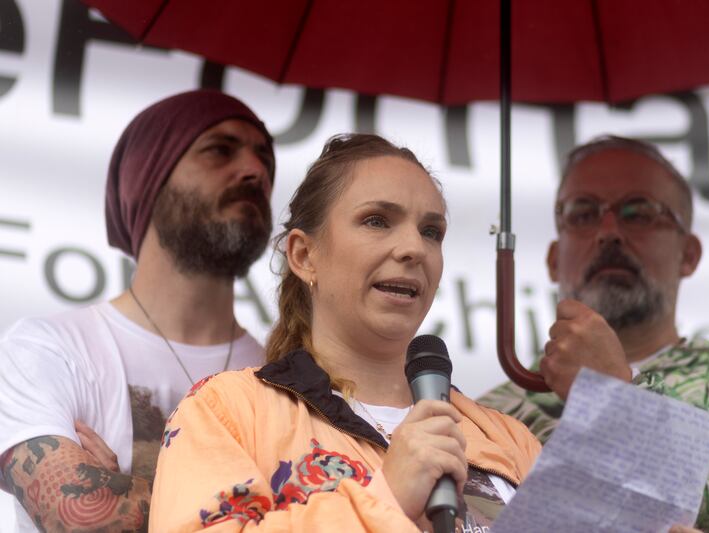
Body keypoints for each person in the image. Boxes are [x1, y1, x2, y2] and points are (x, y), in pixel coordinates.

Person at [149, 134, 542, 532]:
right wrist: (385, 499)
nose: (414, 248)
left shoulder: (510, 440)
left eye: (431, 231)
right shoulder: (228, 410)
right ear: (304, 255)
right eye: (377, 220)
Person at [479, 135, 709, 532]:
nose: (609, 231)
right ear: (552, 260)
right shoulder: (491, 415)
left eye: (638, 212)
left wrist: (618, 398)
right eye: (583, 213)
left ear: (689, 254)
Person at [0, 89, 276, 532]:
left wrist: (126, 486)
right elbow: (86, 517)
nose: (254, 170)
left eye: (264, 157)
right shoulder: (44, 350)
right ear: (149, 176)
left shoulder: (283, 377)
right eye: (219, 150)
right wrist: (275, 503)